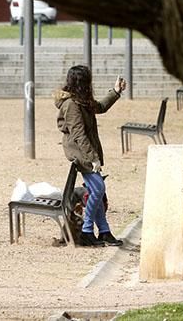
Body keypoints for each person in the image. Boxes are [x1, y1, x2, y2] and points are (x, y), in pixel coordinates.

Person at [54, 65, 126, 247]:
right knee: (98, 188)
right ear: (83, 83)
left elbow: (100, 107)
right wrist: (93, 158)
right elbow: (78, 135)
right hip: (80, 153)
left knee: (97, 190)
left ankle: (104, 231)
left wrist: (116, 92)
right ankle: (87, 231)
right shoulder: (71, 104)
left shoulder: (82, 101)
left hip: (86, 152)